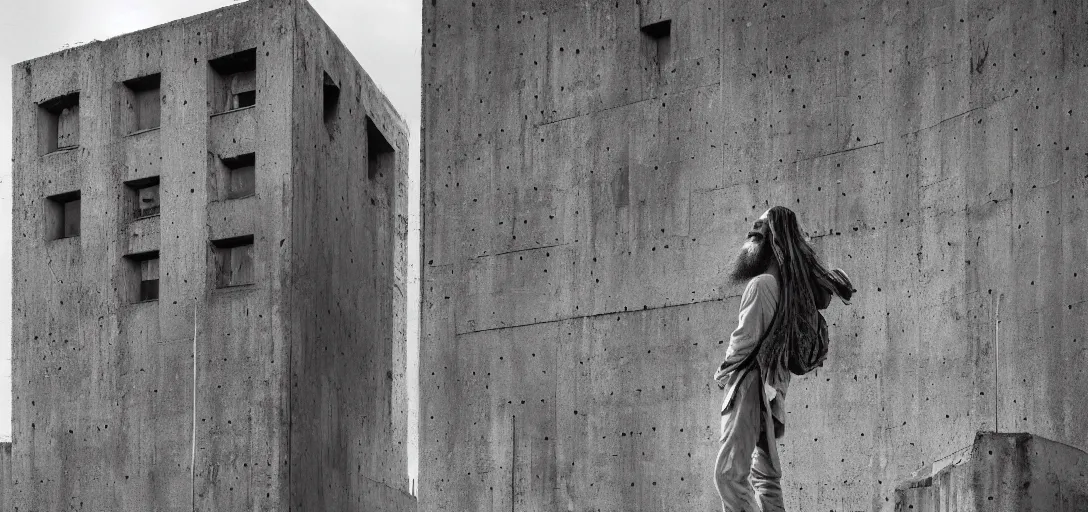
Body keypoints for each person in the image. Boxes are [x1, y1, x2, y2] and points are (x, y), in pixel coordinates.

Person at [712, 206, 854, 511]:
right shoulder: (791, 292)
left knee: (728, 475)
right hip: (773, 393)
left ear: (769, 239)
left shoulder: (762, 285)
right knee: (767, 480)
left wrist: (723, 374)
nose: (751, 236)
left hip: (749, 385)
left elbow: (743, 342)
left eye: (758, 229)